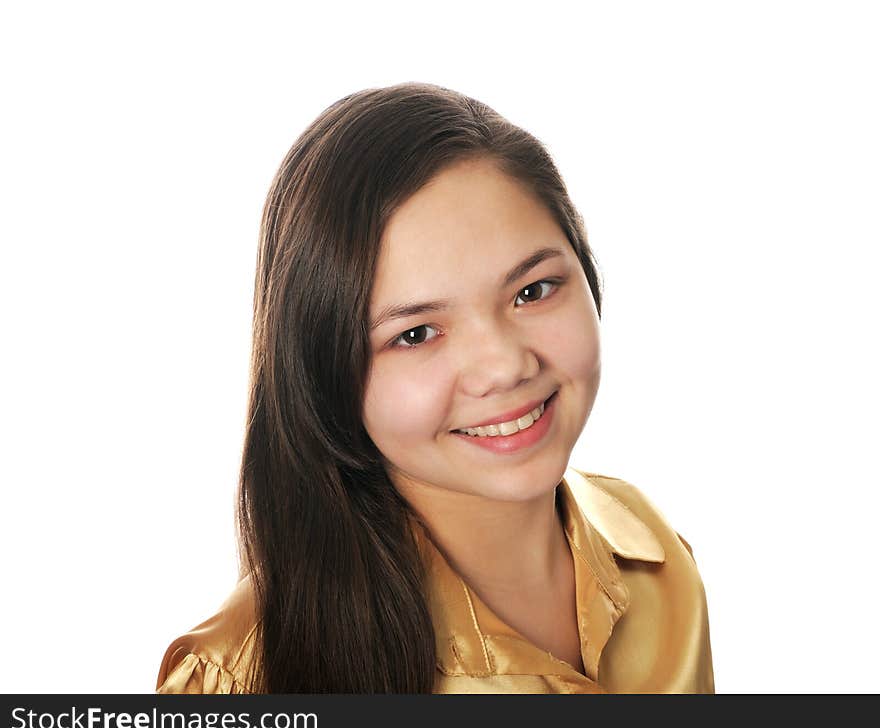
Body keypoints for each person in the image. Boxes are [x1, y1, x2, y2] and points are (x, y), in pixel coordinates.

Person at [155, 82, 714, 694]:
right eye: (417, 333)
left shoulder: (658, 558)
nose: (503, 366)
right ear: (323, 371)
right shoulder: (241, 676)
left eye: (533, 290)